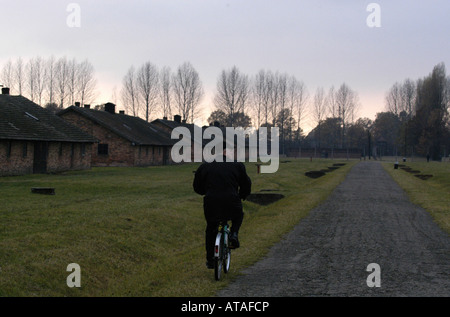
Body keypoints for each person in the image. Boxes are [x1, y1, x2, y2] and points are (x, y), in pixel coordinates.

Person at [193, 144, 252, 269]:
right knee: (238, 215)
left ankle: (210, 260)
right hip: (232, 200)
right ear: (227, 151)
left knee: (211, 228)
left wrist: (206, 192)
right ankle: (234, 234)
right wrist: (242, 195)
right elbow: (246, 184)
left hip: (211, 201)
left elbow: (197, 186)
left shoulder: (205, 165)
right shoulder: (237, 165)